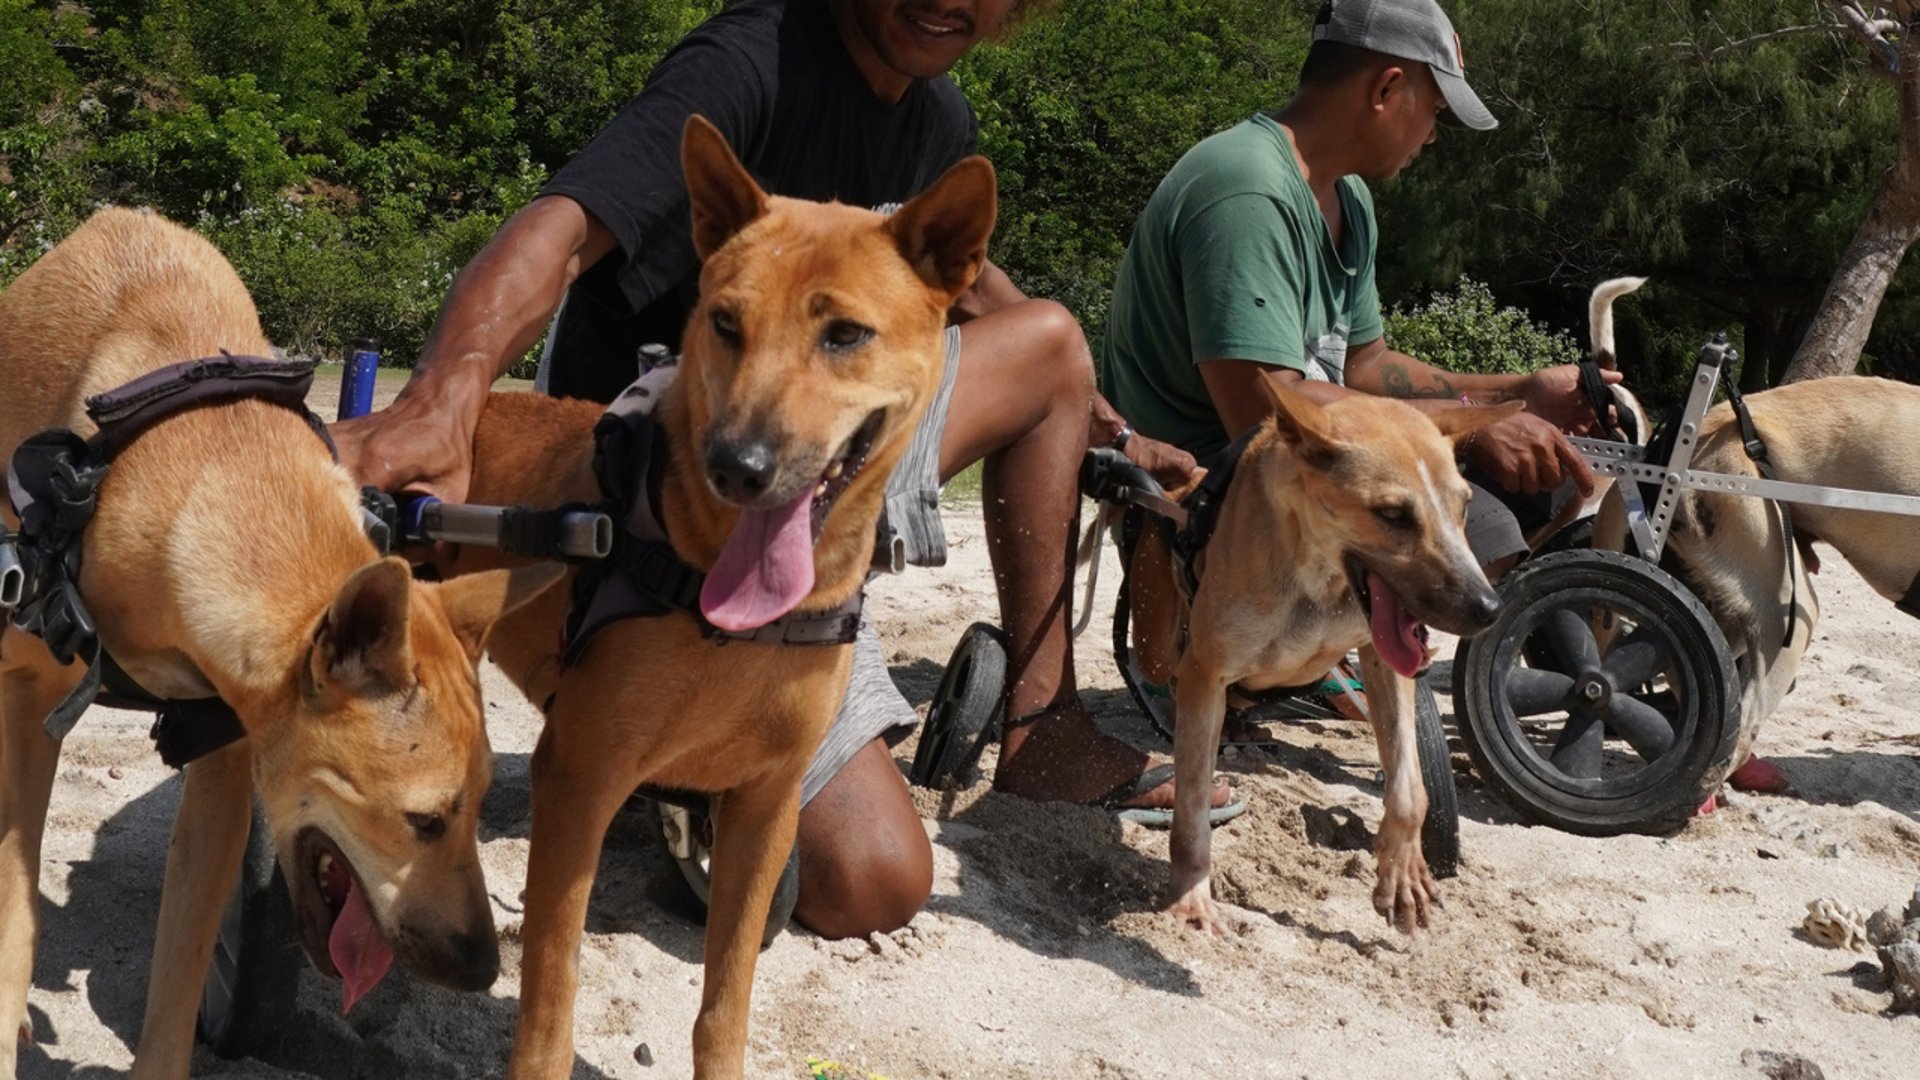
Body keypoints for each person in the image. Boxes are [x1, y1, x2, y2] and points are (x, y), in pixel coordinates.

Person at [332, 0, 1232, 942]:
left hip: (809, 472)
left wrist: (1119, 441)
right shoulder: (751, 59)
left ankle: (1040, 726)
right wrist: (444, 390)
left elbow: (954, 276)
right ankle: (674, 750)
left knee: (875, 885)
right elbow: (563, 228)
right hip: (660, 476)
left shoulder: (937, 120)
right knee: (855, 869)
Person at [1102, 0, 1789, 795]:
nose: (1434, 133)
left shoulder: (1344, 199)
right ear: (1388, 87)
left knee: (1548, 487)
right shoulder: (1248, 191)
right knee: (1487, 529)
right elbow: (1268, 413)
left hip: (1322, 470)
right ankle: (1319, 664)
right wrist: (1471, 437)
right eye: (1436, 107)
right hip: (1223, 492)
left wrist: (1518, 396)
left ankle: (1332, 653)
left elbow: (1365, 367)